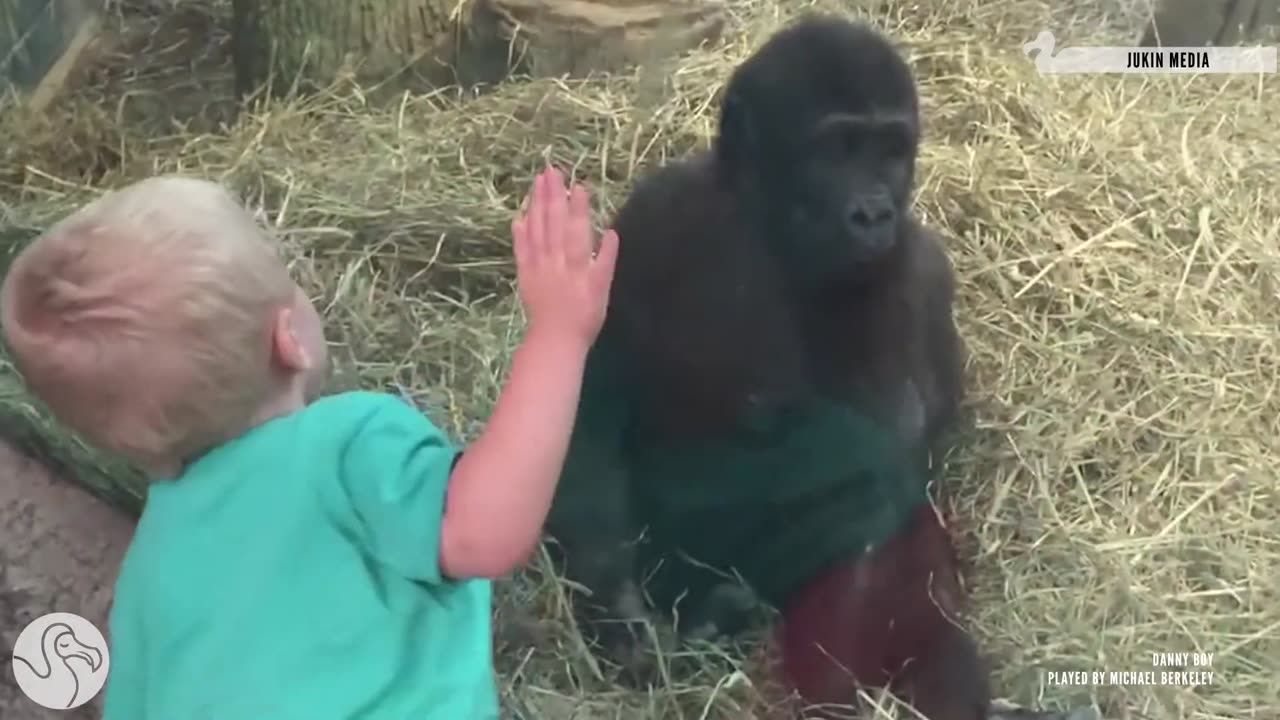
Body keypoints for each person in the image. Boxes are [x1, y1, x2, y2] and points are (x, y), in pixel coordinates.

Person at [0, 167, 619, 719]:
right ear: (290, 337)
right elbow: (485, 532)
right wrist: (558, 336)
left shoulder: (147, 579)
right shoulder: (347, 443)